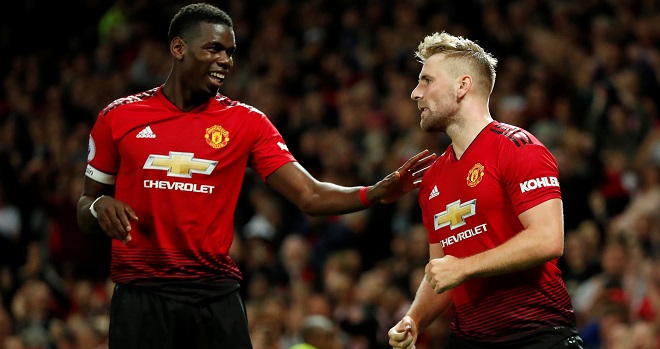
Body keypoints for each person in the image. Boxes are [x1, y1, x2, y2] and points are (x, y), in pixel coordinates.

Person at [76, 3, 435, 349]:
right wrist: (98, 207)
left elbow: (309, 195)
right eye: (213, 49)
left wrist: (372, 193)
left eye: (230, 52)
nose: (224, 61)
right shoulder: (119, 118)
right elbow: (86, 204)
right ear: (178, 48)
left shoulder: (246, 122)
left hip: (213, 296)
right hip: (141, 296)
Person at [387, 31, 583, 349]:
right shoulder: (432, 180)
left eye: (426, 80)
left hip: (537, 334)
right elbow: (442, 272)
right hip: (471, 340)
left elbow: (548, 238)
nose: (415, 93)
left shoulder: (518, 147)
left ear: (462, 86)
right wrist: (414, 319)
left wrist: (464, 267)